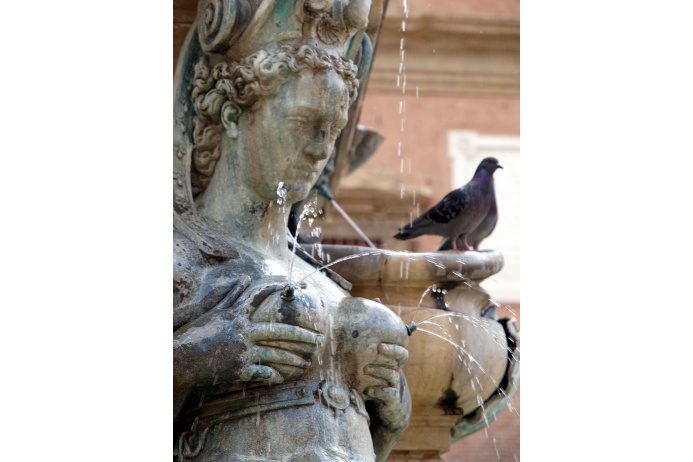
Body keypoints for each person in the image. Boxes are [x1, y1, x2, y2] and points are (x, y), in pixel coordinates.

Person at [174, 41, 412, 462]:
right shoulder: (180, 254)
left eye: (333, 131)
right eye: (304, 122)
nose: (321, 148)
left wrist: (389, 416)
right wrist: (208, 352)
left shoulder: (323, 278)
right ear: (232, 117)